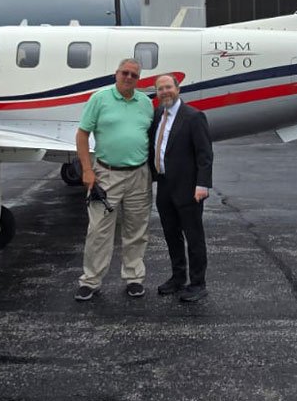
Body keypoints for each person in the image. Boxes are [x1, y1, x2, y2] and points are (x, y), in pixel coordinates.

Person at [74, 58, 154, 301]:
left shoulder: (145, 103)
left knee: (137, 229)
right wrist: (87, 170)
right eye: (125, 73)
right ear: (116, 74)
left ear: (138, 79)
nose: (129, 77)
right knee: (98, 230)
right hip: (106, 174)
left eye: (134, 75)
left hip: (139, 174)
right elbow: (82, 134)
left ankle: (134, 278)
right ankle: (91, 281)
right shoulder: (99, 98)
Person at [148, 73, 213, 302]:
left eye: (168, 87)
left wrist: (202, 185)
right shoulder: (158, 115)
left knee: (194, 237)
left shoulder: (194, 117)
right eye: (160, 89)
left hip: (189, 188)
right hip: (165, 185)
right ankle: (178, 277)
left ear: (178, 89)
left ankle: (198, 283)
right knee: (171, 235)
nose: (164, 92)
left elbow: (205, 154)